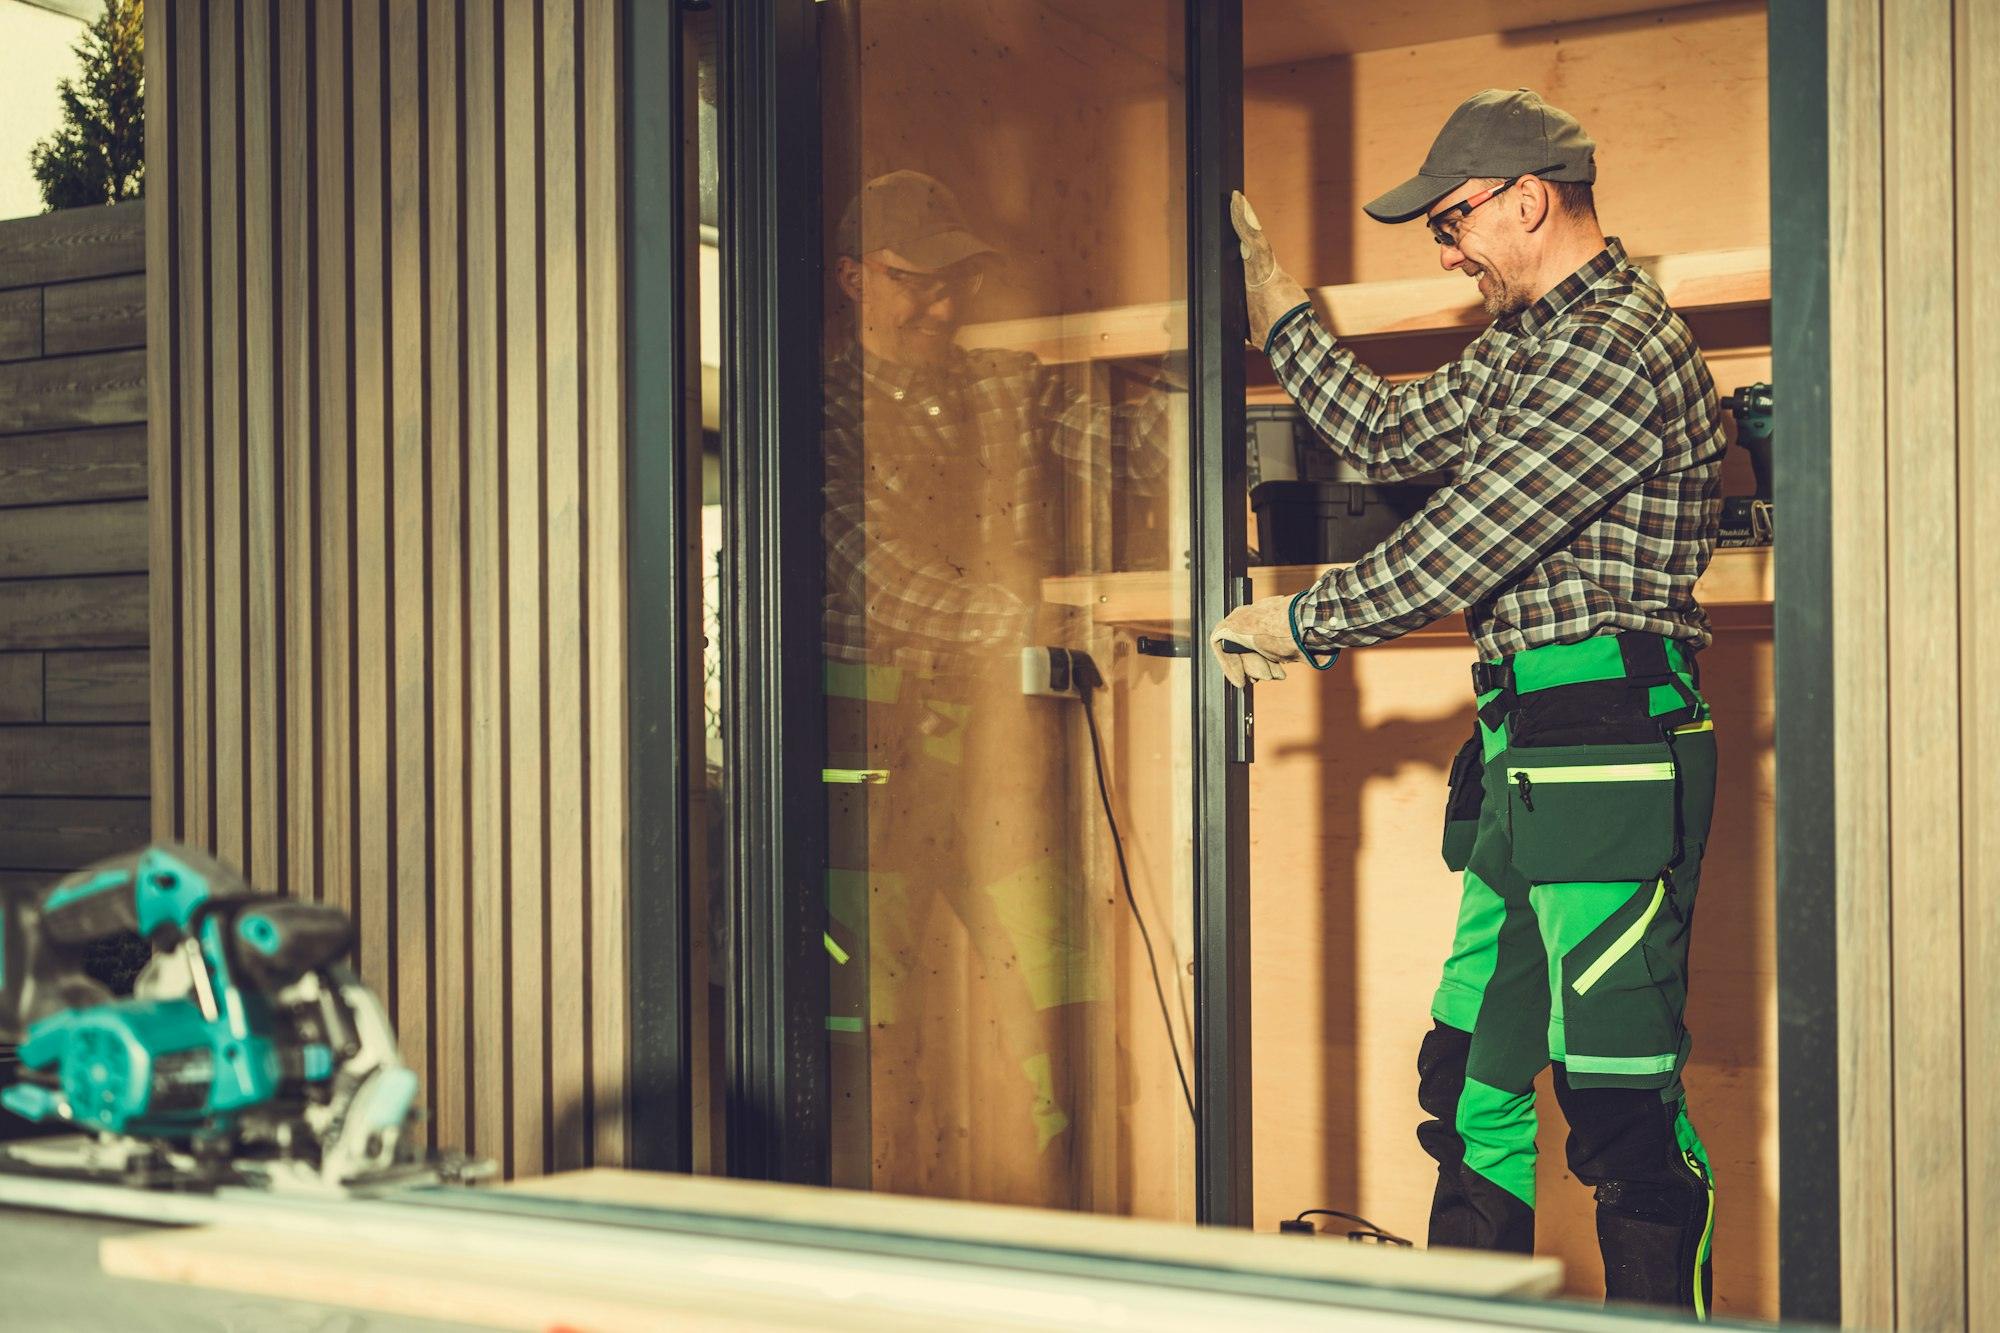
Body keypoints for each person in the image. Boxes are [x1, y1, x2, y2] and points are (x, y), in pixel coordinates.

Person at [1211, 90, 1726, 1315]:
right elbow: (1386, 435)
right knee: (1471, 1077)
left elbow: (1463, 546)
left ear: (1528, 198)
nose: (1445, 251)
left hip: (1608, 747)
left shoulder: (1616, 347)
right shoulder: (1528, 339)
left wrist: (1300, 621)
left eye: (1452, 222)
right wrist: (1277, 306)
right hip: (1523, 751)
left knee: (1615, 1105)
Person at [821, 170, 1165, 1204]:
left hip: (1004, 756)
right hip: (864, 772)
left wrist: (1217, 401)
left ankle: (1067, 1231)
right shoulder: (813, 410)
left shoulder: (1003, 386)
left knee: (1062, 1003)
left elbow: (1130, 448)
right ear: (850, 279)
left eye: (953, 281)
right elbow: (858, 575)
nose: (939, 303)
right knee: (864, 1026)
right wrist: (1024, 623)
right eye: (912, 278)